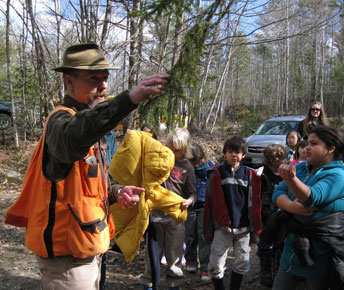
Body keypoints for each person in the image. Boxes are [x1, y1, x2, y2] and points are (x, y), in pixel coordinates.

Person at [5, 43, 169, 290]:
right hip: (66, 258)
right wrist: (129, 99)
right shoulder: (60, 122)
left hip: (88, 246)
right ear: (69, 83)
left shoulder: (93, 128)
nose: (103, 85)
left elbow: (90, 180)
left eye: (105, 78)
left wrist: (116, 191)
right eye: (94, 79)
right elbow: (74, 138)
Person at [272, 125, 344, 290]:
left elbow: (311, 197)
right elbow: (278, 194)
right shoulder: (301, 168)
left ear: (331, 149)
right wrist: (292, 206)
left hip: (320, 251)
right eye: (307, 143)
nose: (307, 147)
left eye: (314, 144)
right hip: (292, 247)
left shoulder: (338, 175)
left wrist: (291, 180)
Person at [140, 128, 197, 290]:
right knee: (152, 257)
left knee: (174, 258)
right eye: (169, 147)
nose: (172, 152)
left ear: (185, 149)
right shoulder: (159, 160)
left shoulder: (187, 167)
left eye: (176, 150)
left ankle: (174, 286)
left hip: (175, 218)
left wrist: (189, 201)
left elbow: (193, 193)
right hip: (154, 217)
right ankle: (149, 285)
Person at [203, 136, 262, 290]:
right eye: (230, 152)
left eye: (237, 152)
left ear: (243, 155)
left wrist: (254, 227)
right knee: (216, 262)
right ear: (224, 154)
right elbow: (211, 202)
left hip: (243, 227)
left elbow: (254, 202)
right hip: (223, 226)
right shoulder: (217, 173)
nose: (233, 155)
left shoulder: (249, 175)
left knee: (243, 260)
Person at [257, 144, 288, 288]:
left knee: (280, 242)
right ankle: (265, 270)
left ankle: (277, 269)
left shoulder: (285, 173)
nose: (282, 161)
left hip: (282, 214)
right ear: (271, 159)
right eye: (279, 159)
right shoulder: (261, 174)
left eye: (283, 158)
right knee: (265, 243)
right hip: (265, 213)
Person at [184, 143, 214, 282]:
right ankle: (190, 261)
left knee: (203, 235)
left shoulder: (209, 168)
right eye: (192, 162)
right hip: (189, 204)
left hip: (204, 205)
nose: (195, 165)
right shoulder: (185, 168)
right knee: (190, 234)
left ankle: (205, 267)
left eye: (197, 162)